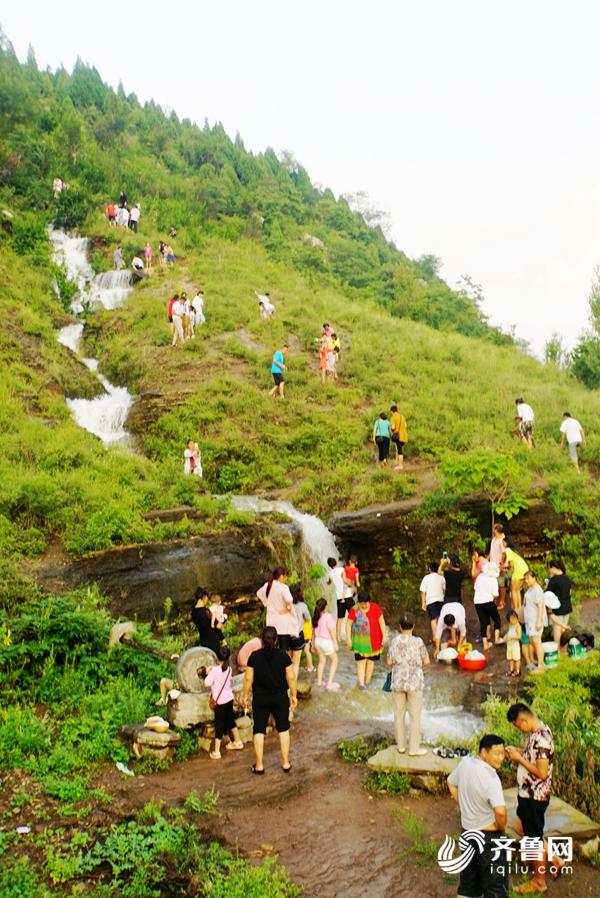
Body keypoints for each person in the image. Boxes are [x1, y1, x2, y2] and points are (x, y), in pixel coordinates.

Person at [505, 704, 559, 895]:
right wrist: (520, 752)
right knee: (523, 828)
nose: (519, 729)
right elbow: (534, 755)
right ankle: (554, 858)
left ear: (524, 720)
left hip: (535, 797)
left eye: (518, 726)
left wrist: (519, 760)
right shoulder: (538, 732)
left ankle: (539, 881)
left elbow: (542, 773)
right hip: (527, 794)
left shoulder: (542, 740)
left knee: (534, 839)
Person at [447, 734, 508, 898]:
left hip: (467, 834)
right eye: (496, 753)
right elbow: (501, 811)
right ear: (483, 753)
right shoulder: (491, 778)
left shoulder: (465, 763)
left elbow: (451, 783)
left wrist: (463, 806)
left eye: (503, 753)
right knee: (496, 888)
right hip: (488, 838)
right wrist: (500, 827)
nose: (501, 758)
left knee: (468, 886)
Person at [242, 625, 297, 774]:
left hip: (260, 698)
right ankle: (285, 763)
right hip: (280, 697)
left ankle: (259, 766)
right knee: (283, 728)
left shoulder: (254, 657)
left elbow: (248, 679)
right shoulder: (284, 656)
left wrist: (245, 696)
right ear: (276, 639)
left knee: (258, 730)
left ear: (261, 639)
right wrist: (294, 695)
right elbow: (291, 677)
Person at [387, 611, 430, 755]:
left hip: (398, 682)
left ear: (400, 627)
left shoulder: (394, 641)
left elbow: (389, 662)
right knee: (415, 716)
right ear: (413, 626)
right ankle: (413, 749)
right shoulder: (418, 642)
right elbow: (427, 661)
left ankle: (401, 747)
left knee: (398, 715)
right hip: (415, 683)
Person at [204, 645, 244, 759]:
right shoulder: (230, 669)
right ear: (229, 657)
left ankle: (216, 752)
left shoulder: (215, 671)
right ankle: (238, 741)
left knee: (219, 725)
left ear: (217, 658)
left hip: (220, 703)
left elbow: (206, 683)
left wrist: (208, 672)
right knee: (230, 720)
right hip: (229, 699)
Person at [346, 589, 387, 690]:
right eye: (361, 603)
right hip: (360, 642)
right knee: (361, 661)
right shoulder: (354, 610)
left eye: (365, 603)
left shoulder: (375, 608)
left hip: (375, 641)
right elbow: (348, 624)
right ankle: (361, 683)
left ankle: (368, 681)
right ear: (358, 602)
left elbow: (381, 622)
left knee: (370, 662)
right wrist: (348, 639)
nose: (363, 605)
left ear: (369, 601)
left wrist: (384, 636)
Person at [256, 567, 298, 652]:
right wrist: (288, 608)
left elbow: (258, 593)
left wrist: (266, 603)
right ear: (281, 576)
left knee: (271, 647)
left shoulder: (267, 585)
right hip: (283, 623)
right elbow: (289, 599)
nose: (286, 579)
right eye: (286, 576)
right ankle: (281, 664)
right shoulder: (283, 587)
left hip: (271, 622)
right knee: (283, 649)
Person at [473, 562, 503, 651]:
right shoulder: (493, 579)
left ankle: (485, 643)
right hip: (488, 601)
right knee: (497, 619)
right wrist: (490, 600)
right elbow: (495, 595)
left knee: (484, 622)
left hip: (477, 602)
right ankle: (497, 639)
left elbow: (475, 588)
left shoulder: (480, 576)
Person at [311, 598, 339, 690]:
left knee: (322, 661)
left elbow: (313, 632)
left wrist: (312, 644)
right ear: (325, 607)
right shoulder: (328, 616)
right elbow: (331, 631)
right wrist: (335, 643)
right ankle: (330, 684)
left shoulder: (316, 616)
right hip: (326, 641)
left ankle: (319, 682)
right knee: (335, 661)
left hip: (318, 641)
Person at [522, 570, 547, 674]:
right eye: (525, 579)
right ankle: (539, 663)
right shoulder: (530, 590)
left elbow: (540, 606)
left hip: (535, 620)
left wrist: (539, 621)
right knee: (532, 641)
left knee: (537, 642)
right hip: (529, 621)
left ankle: (541, 666)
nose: (526, 581)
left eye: (528, 578)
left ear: (534, 578)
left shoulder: (537, 590)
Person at [546, 559, 572, 649]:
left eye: (549, 568)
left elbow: (548, 596)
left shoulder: (553, 580)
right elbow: (570, 592)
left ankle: (557, 651)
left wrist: (549, 610)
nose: (549, 570)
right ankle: (563, 649)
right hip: (567, 607)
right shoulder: (567, 578)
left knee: (557, 630)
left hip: (557, 609)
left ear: (553, 568)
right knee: (563, 629)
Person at [327, 557, 354, 641]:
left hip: (339, 598)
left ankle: (338, 638)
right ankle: (352, 636)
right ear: (336, 563)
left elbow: (329, 582)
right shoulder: (342, 569)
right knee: (353, 616)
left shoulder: (330, 573)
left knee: (340, 618)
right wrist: (350, 584)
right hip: (347, 596)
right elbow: (345, 580)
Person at [191, 587, 223, 655]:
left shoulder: (193, 612)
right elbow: (218, 626)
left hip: (203, 640)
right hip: (213, 640)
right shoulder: (206, 612)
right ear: (204, 597)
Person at [420, 561, 446, 642]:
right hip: (441, 600)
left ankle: (435, 637)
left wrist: (423, 602)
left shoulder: (426, 578)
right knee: (440, 618)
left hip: (430, 601)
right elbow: (444, 589)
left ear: (430, 569)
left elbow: (423, 591)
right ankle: (441, 635)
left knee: (433, 619)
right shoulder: (441, 577)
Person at [290, 583, 312, 677]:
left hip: (286, 636)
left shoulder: (287, 605)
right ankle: (292, 687)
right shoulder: (303, 606)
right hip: (298, 636)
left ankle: (286, 684)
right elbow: (307, 618)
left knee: (288, 662)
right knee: (296, 663)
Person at [503, 538, 528, 611]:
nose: (502, 544)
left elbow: (511, 565)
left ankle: (516, 610)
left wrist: (505, 568)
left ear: (507, 543)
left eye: (503, 542)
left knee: (513, 590)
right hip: (525, 569)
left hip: (518, 570)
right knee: (517, 590)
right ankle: (519, 609)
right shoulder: (516, 550)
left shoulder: (508, 550)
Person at [489, 523, 508, 609]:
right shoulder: (494, 539)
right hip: (492, 566)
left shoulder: (502, 540)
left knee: (501, 585)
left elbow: (504, 554)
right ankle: (494, 600)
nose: (493, 530)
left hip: (500, 566)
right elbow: (491, 551)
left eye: (494, 529)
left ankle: (502, 602)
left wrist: (501, 565)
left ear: (496, 530)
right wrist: (487, 560)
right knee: (493, 583)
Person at [389, 404, 408, 471]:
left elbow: (393, 427)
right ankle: (397, 463)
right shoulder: (402, 417)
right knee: (398, 449)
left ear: (392, 411)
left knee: (400, 451)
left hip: (398, 437)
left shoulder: (393, 417)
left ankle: (400, 466)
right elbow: (405, 426)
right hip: (404, 436)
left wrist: (391, 431)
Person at [505, 610, 522, 677]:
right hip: (509, 645)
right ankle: (511, 669)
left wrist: (511, 638)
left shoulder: (518, 626)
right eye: (511, 619)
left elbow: (519, 636)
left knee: (517, 658)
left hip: (515, 645)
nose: (513, 620)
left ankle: (517, 670)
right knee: (510, 658)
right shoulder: (510, 625)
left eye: (514, 618)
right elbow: (508, 633)